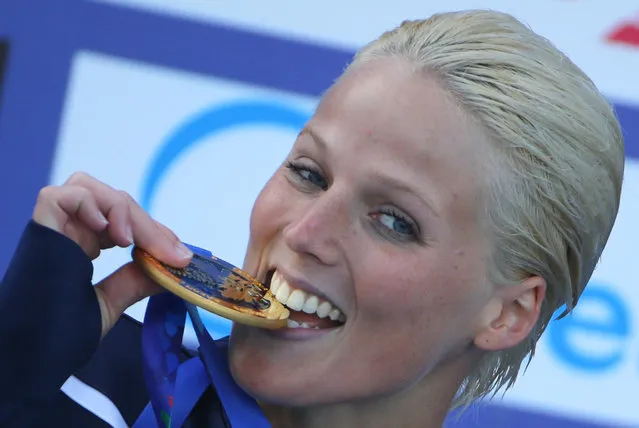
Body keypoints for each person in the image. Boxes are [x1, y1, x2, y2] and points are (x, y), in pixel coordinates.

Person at [0, 9, 625, 428]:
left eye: (394, 221)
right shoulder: (83, 389)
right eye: (309, 173)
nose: (302, 233)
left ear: (507, 313)